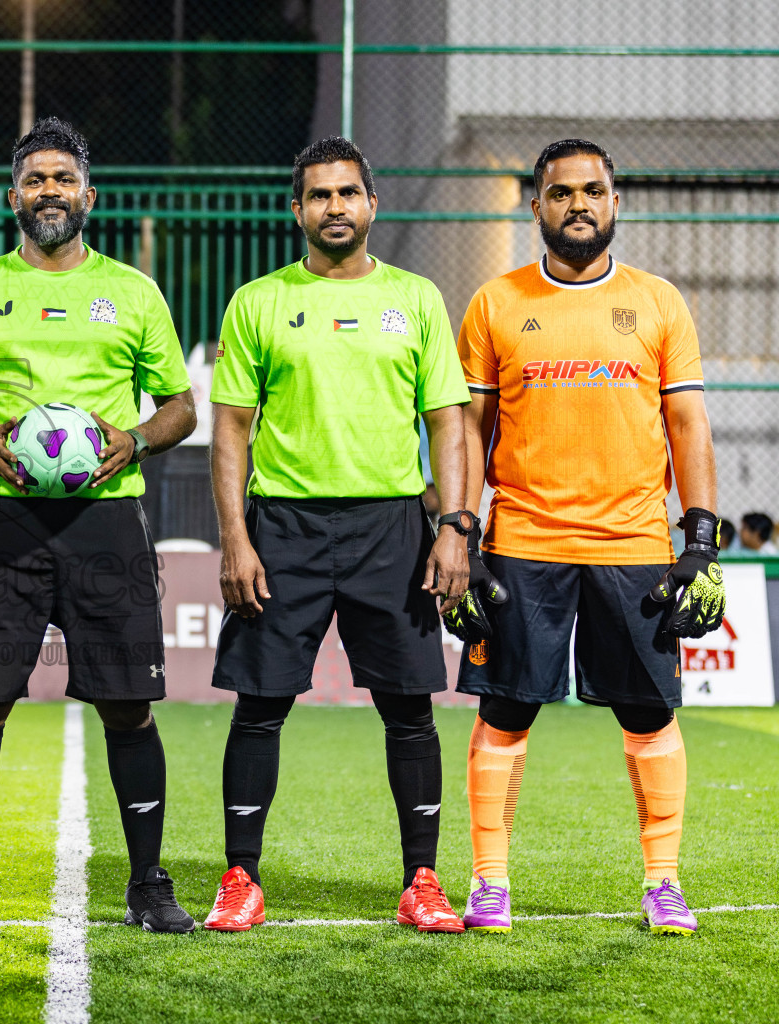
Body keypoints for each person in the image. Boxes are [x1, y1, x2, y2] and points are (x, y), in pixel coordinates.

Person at [0, 117, 198, 935]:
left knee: (129, 707)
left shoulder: (134, 292)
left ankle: (147, 883)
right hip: (1, 523)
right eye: (35, 179)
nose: (49, 192)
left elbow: (181, 406)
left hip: (106, 523)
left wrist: (134, 440)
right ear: (13, 196)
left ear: (88, 194)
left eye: (62, 179)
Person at [446, 139, 725, 936]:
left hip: (634, 548)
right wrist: (461, 536)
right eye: (561, 192)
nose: (578, 204)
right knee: (505, 712)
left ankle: (664, 882)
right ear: (535, 206)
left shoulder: (660, 303)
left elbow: (686, 421)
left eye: (593, 191)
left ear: (615, 202)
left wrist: (698, 540)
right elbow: (469, 428)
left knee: (649, 716)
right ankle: (491, 883)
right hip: (523, 542)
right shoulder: (496, 302)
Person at [205, 136, 471, 934]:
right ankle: (240, 877)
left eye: (347, 193)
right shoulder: (257, 301)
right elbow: (230, 433)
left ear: (371, 206)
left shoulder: (418, 299)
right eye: (319, 196)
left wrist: (454, 527)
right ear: (297, 210)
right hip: (282, 525)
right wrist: (236, 540)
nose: (334, 208)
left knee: (409, 710)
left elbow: (448, 425)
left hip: (391, 527)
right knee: (260, 707)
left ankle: (421, 879)